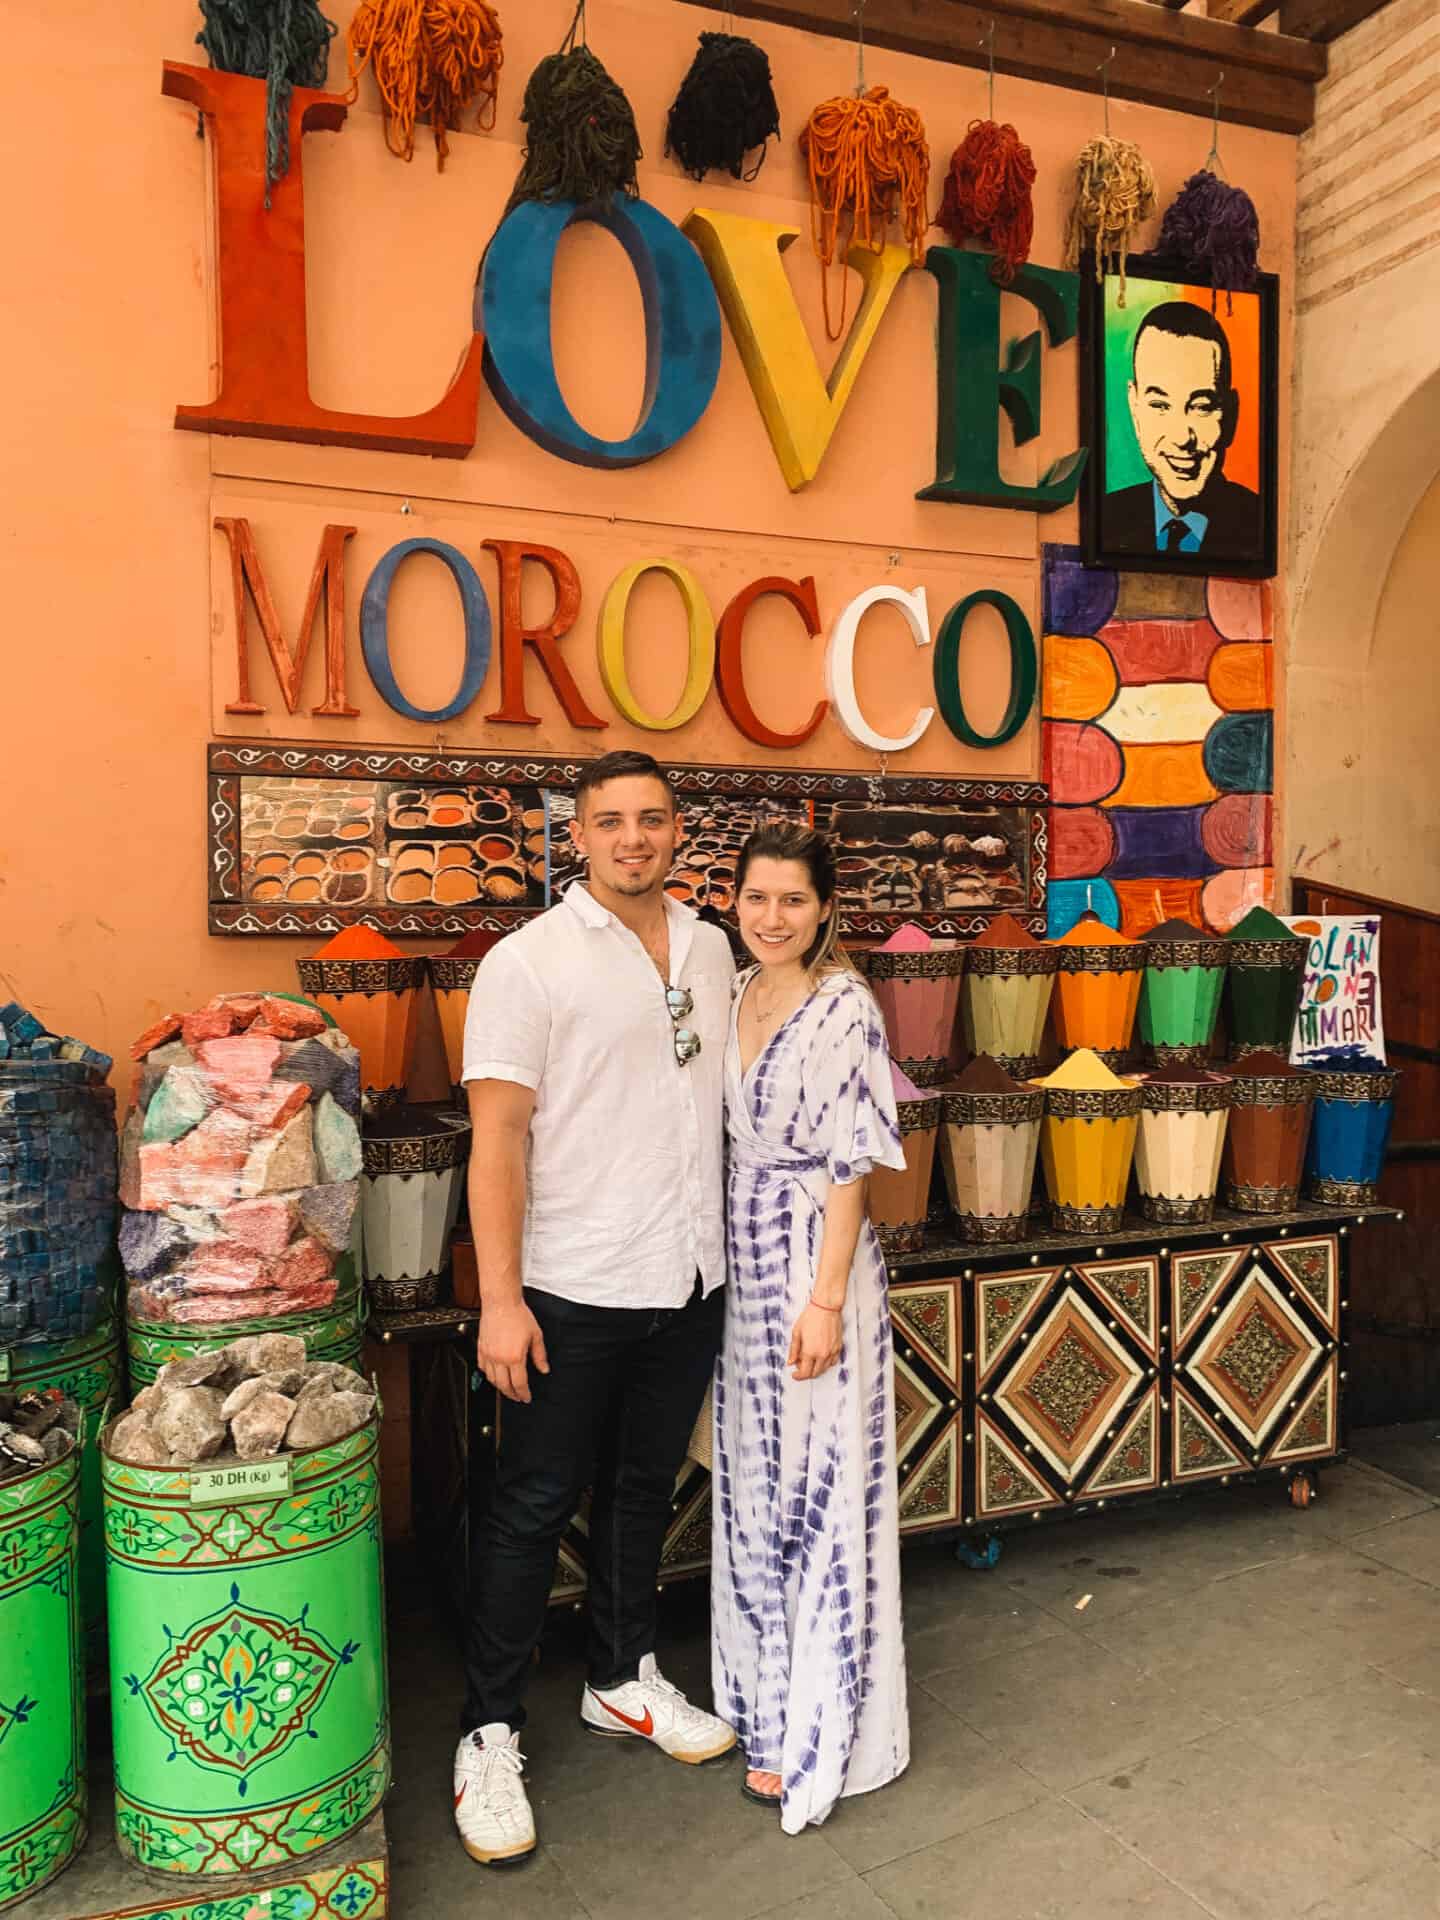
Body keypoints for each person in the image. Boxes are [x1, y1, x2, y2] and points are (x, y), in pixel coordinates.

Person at [454, 749, 737, 1868]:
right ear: (578, 836)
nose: (634, 838)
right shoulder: (527, 964)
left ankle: (622, 1679)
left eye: (653, 820)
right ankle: (487, 1730)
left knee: (640, 1490)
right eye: (611, 821)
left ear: (679, 833)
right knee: (529, 1509)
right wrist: (502, 1299)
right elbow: (499, 1142)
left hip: (686, 1278)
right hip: (570, 1287)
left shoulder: (714, 949)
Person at [710, 822, 910, 1835]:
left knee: (822, 1489)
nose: (773, 918)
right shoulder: (733, 989)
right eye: (757, 899)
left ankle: (828, 1723)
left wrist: (826, 1298)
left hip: (813, 1268)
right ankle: (762, 1708)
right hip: (743, 1265)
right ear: (733, 901)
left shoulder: (846, 1007)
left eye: (793, 901)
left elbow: (851, 1167)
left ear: (825, 908)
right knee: (755, 1485)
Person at [1106, 301, 1259, 556]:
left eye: (1201, 407)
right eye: (1160, 405)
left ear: (1231, 415)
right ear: (1135, 408)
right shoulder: (1108, 518)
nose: (1182, 437)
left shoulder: (1257, 523)